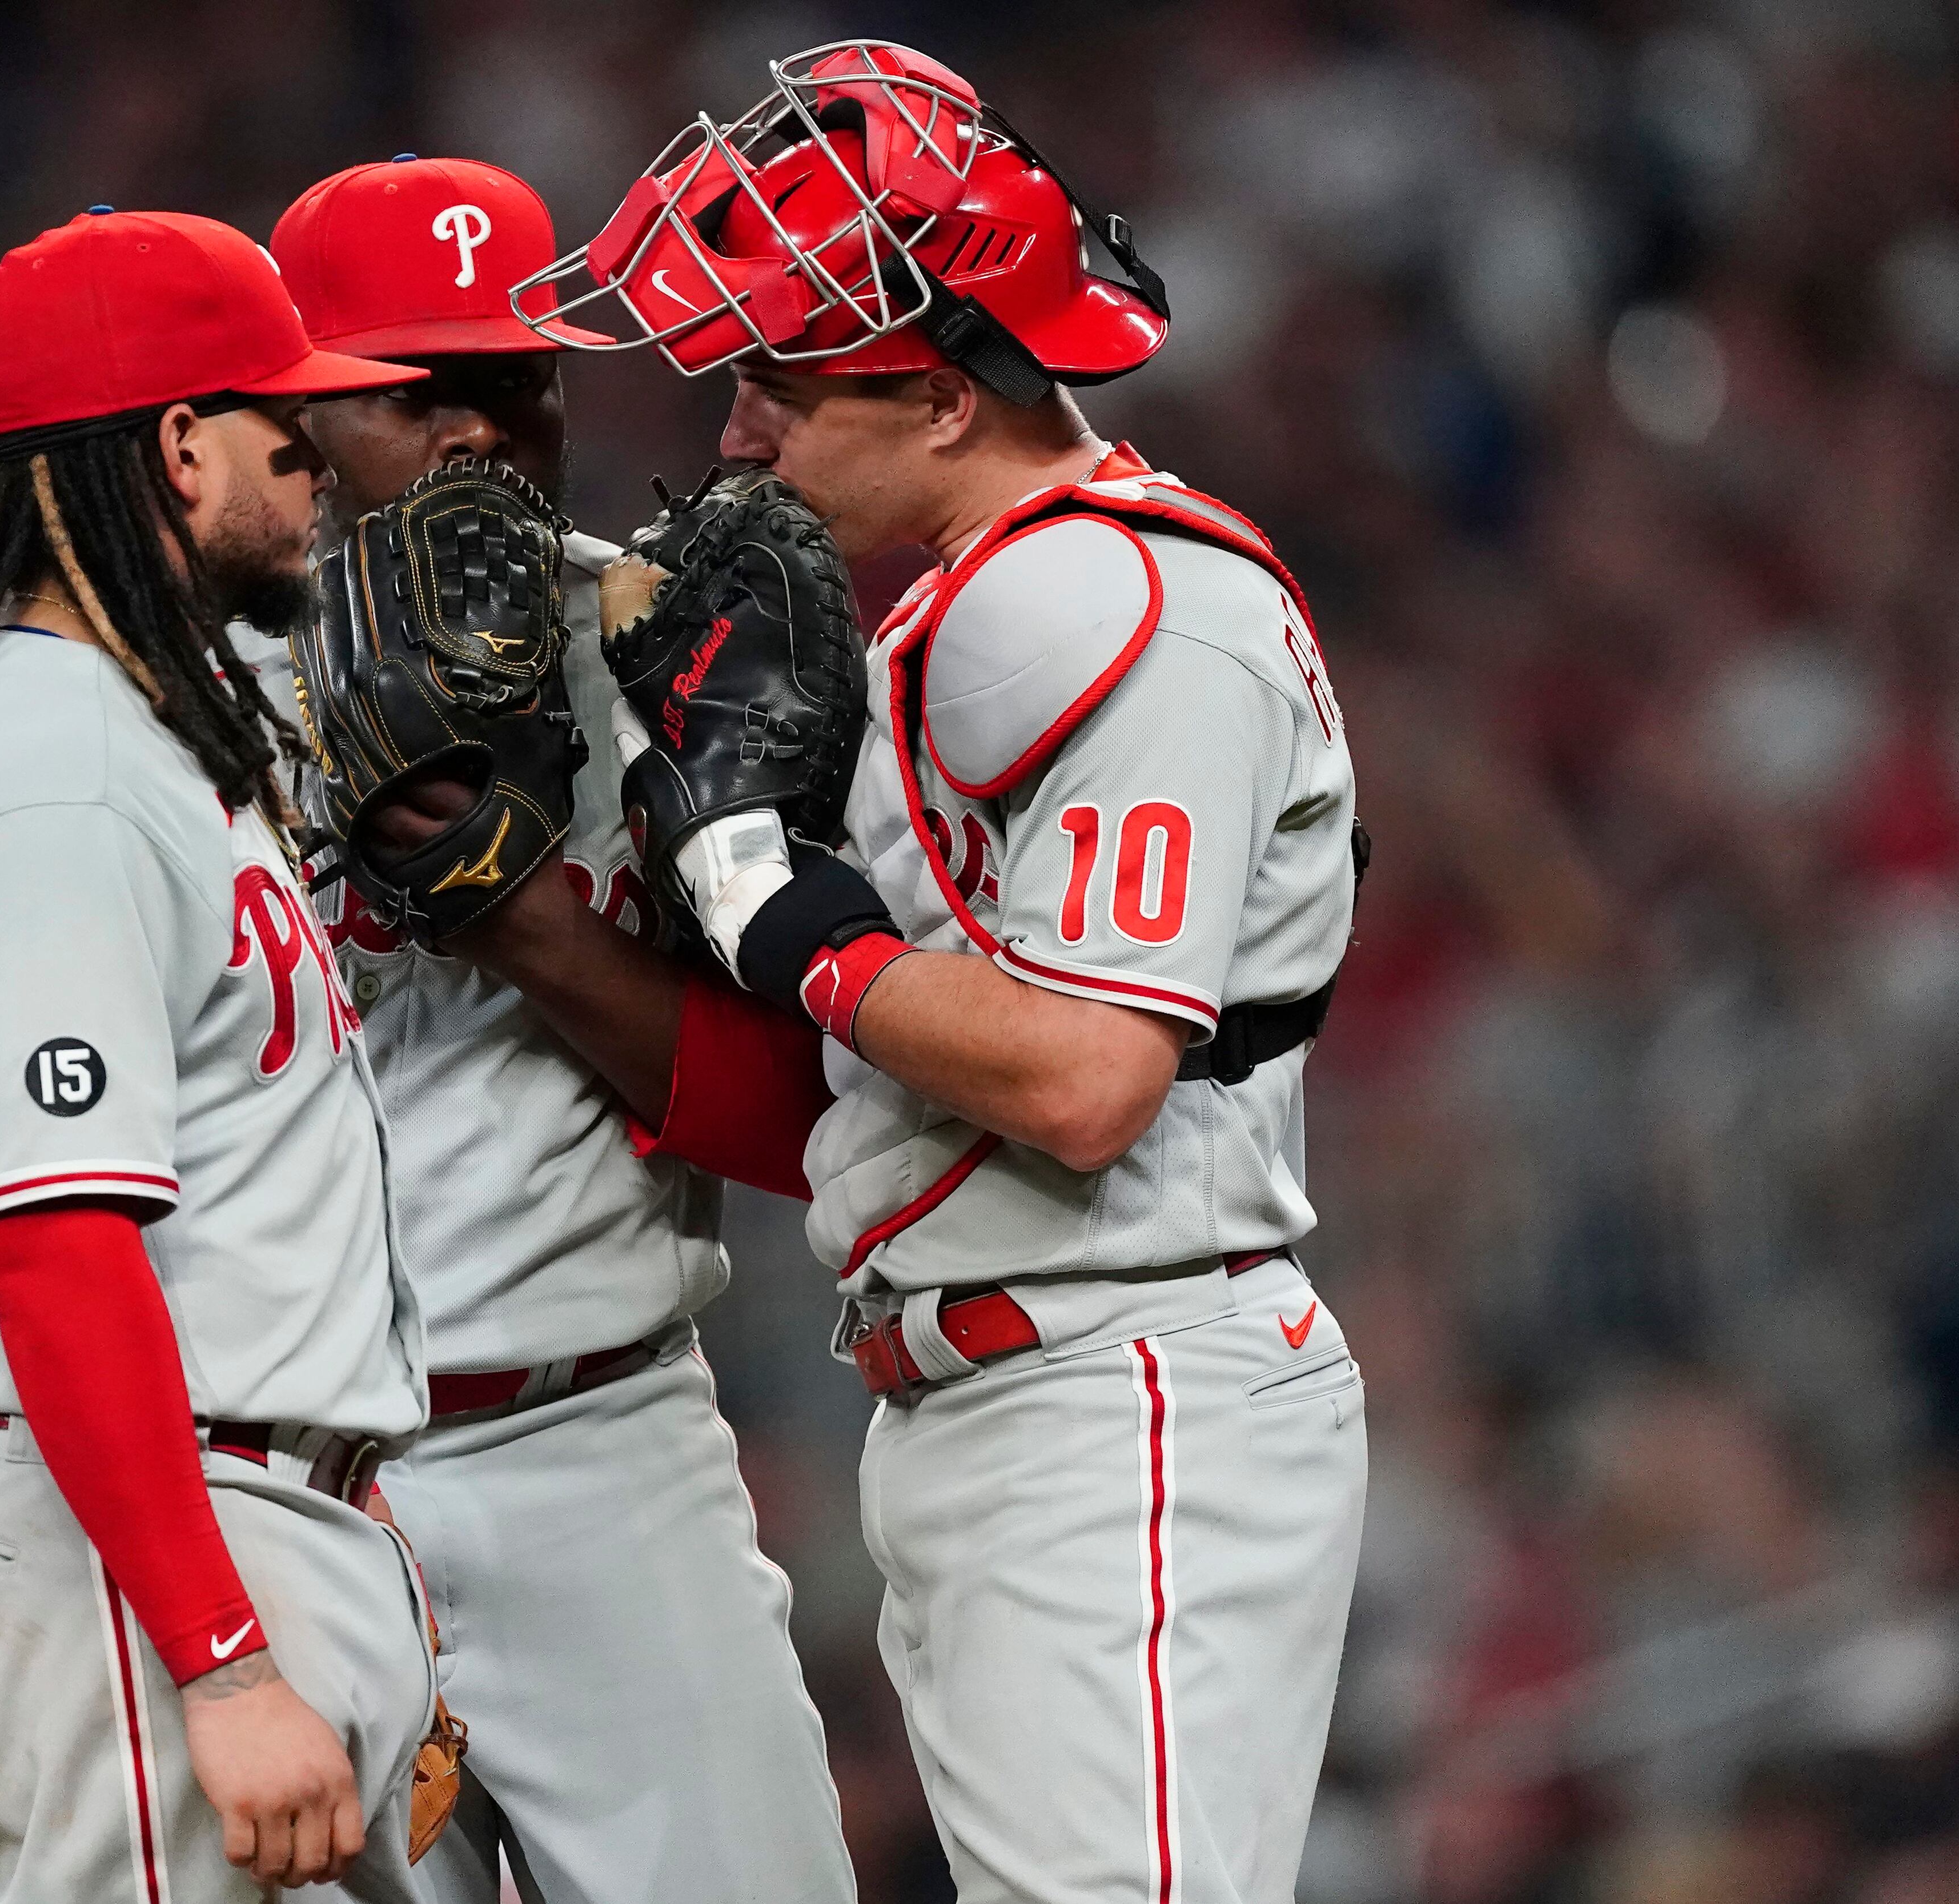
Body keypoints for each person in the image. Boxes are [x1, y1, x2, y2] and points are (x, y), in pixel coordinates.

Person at [0, 157, 858, 1904]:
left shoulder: (663, 653)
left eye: (518, 383)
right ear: (285, 404)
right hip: (233, 1480)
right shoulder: (160, 678)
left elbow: (801, 1125)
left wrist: (525, 922)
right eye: (417, 393)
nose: (481, 435)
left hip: (587, 1436)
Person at [474, 42, 1372, 1904]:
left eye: (778, 383)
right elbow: (869, 1090)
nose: (736, 433)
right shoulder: (976, 601)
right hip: (1011, 1392)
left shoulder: (1128, 598)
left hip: (1127, 1384)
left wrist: (766, 894)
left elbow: (1081, 1077)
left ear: (947, 396)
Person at [0, 206, 439, 1900]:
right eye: (282, 433)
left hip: (206, 1529)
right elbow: (56, 1241)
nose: (318, 467)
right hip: (129, 1571)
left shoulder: (134, 739)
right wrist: (220, 1654)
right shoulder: (55, 777)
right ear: (173, 445)